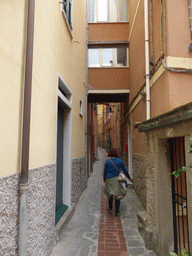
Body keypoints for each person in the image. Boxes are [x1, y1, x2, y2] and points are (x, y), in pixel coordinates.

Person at [103, 148, 132, 218]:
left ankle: (110, 209)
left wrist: (104, 179)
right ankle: (117, 213)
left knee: (110, 194)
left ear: (109, 153)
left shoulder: (107, 162)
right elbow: (124, 170)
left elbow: (105, 172)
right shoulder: (120, 161)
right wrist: (129, 177)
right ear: (116, 153)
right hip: (118, 180)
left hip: (110, 180)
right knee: (117, 196)